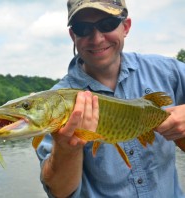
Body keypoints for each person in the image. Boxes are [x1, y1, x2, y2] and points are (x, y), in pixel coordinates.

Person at [36, 0, 185, 197]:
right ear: (73, 35)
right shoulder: (55, 103)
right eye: (83, 28)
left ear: (126, 26)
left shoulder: (167, 71)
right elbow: (59, 192)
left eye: (107, 24)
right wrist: (65, 149)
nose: (97, 39)